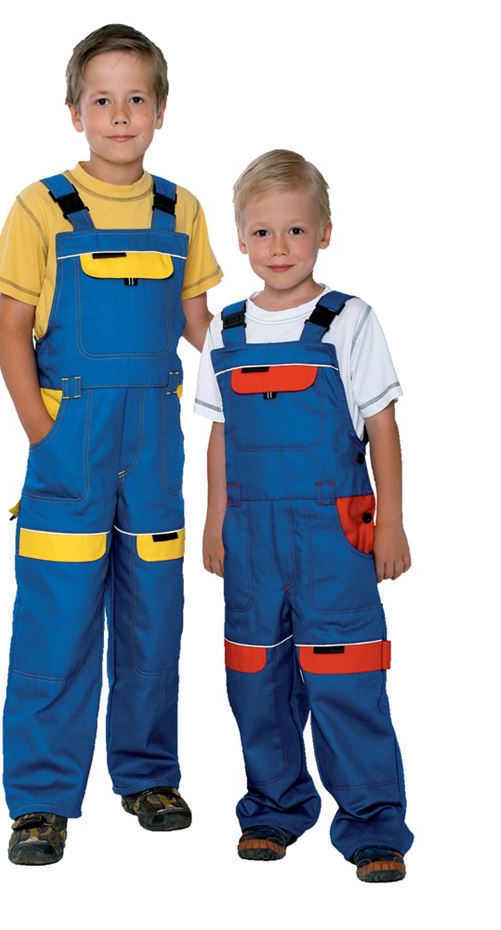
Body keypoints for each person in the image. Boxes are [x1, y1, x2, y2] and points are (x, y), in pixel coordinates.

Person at [0, 23, 222, 865]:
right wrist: (41, 433)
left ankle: (147, 776)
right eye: (102, 100)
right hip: (69, 447)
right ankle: (40, 802)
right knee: (56, 624)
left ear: (160, 110)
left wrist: (269, 357)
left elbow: (197, 323)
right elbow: (9, 328)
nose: (120, 115)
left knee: (154, 618)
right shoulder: (41, 207)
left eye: (136, 99)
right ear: (74, 111)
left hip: (153, 449)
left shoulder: (179, 210)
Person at [195, 149, 413, 882]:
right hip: (250, 537)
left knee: (345, 673)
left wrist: (391, 522)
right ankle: (273, 808)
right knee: (255, 676)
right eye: (261, 233)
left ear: (324, 232)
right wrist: (214, 520)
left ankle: (373, 824)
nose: (278, 247)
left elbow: (381, 426)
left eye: (295, 230)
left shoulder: (348, 320)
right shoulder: (226, 328)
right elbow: (219, 433)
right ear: (240, 239)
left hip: (334, 536)